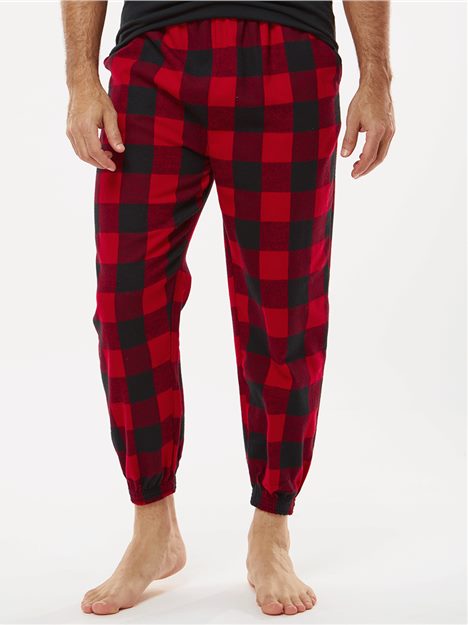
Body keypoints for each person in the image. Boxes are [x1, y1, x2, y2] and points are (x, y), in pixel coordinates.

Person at [61, 0, 395, 616]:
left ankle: (272, 527)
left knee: (284, 308)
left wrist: (377, 77)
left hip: (289, 50)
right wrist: (81, 78)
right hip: (152, 56)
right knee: (126, 302)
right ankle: (153, 528)